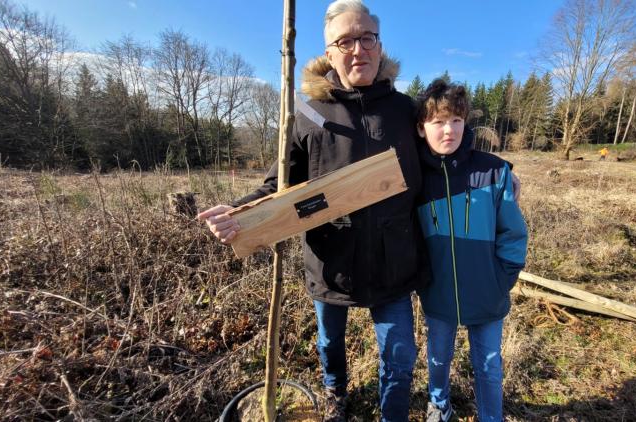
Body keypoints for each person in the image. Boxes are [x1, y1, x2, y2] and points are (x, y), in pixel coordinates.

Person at [197, 1, 426, 420]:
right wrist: (238, 213)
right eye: (345, 41)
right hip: (330, 257)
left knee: (399, 354)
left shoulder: (405, 110)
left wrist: (499, 174)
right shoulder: (307, 112)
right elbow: (278, 182)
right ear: (329, 53)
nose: (358, 49)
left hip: (394, 259)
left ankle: (393, 413)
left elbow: (446, 156)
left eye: (367, 37)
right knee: (328, 343)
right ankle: (335, 396)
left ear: (380, 43)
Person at [414, 79, 528, 422]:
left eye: (456, 121)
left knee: (490, 364)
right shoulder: (416, 178)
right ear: (421, 129)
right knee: (437, 357)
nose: (448, 130)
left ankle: (490, 416)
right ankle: (439, 405)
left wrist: (501, 277)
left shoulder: (493, 171)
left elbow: (513, 232)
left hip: (487, 292)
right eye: (437, 122)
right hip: (438, 294)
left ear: (466, 123)